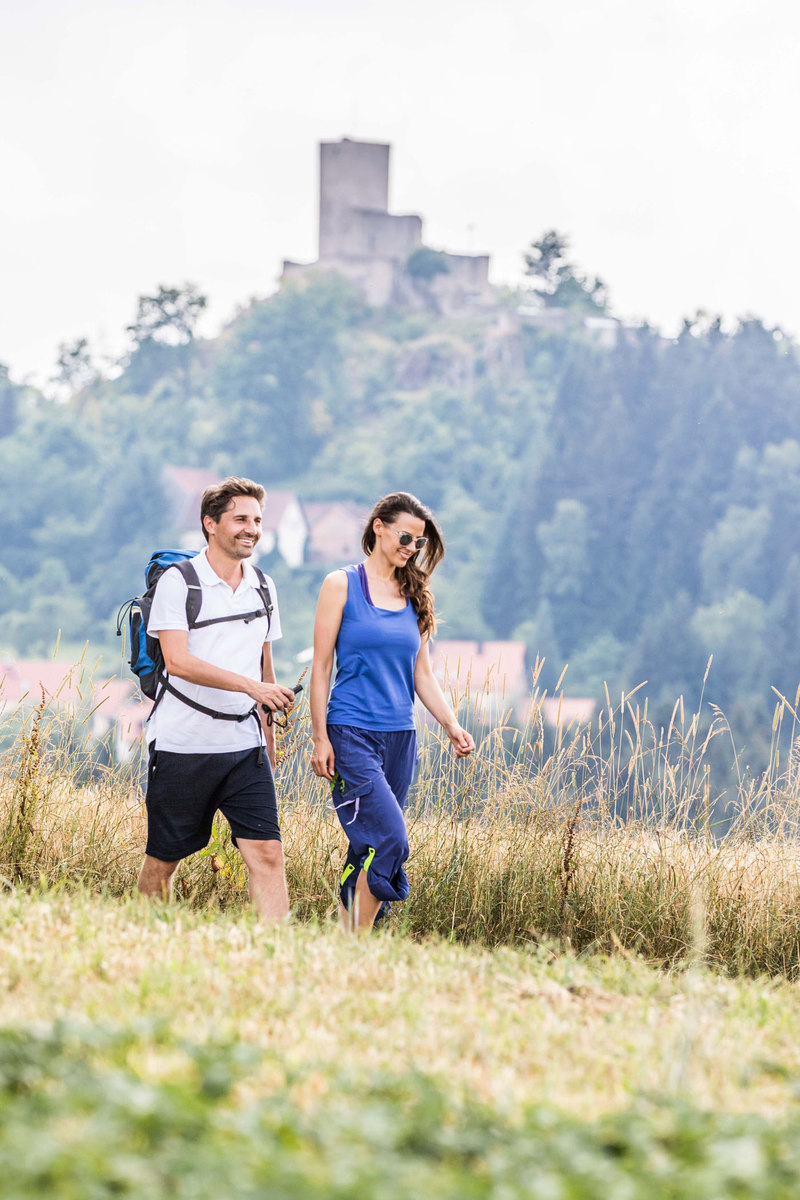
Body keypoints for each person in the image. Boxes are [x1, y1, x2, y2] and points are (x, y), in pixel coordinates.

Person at [310, 491, 475, 932]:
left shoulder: (414, 594)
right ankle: (355, 939)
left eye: (419, 542)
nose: (411, 547)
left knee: (366, 847)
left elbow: (422, 673)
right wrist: (319, 736)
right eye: (405, 536)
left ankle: (344, 940)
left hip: (401, 738)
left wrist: (451, 724)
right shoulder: (341, 585)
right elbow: (321, 666)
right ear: (378, 526)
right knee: (390, 839)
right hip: (350, 732)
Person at [137, 476, 297, 921]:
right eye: (241, 519)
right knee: (164, 860)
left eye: (258, 520)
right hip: (183, 744)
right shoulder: (179, 582)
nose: (252, 528)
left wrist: (268, 738)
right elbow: (178, 661)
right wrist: (252, 687)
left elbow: (265, 665)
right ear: (210, 523)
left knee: (267, 852)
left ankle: (277, 955)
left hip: (243, 747)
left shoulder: (264, 585)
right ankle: (150, 935)